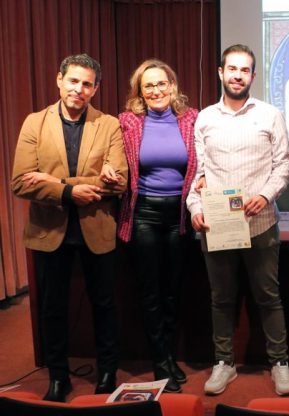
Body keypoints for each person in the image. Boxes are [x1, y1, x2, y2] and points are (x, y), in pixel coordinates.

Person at [11, 54, 128, 401]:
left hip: (97, 229)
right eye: (73, 81)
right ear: (59, 80)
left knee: (104, 305)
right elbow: (20, 182)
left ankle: (108, 372)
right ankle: (58, 377)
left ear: (96, 89)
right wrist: (68, 191)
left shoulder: (108, 125)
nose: (79, 89)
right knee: (52, 307)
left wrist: (53, 181)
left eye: (87, 84)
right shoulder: (35, 122)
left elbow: (119, 183)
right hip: (49, 232)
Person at [186, 44, 289, 397]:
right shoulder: (204, 118)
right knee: (221, 299)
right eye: (231, 69)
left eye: (244, 70)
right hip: (218, 225)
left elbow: (283, 165)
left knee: (268, 296)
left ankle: (279, 363)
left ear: (253, 75)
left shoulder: (269, 114)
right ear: (220, 72)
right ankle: (224, 363)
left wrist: (264, 195)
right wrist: (194, 208)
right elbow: (197, 174)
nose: (237, 75)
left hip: (261, 221)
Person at [113, 59, 198, 393]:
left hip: (180, 214)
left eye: (162, 83)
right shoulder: (127, 122)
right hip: (144, 213)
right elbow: (114, 159)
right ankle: (161, 360)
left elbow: (202, 160)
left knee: (173, 291)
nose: (156, 90)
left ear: (173, 85)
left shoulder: (191, 119)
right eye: (148, 86)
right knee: (150, 292)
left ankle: (169, 354)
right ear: (140, 91)